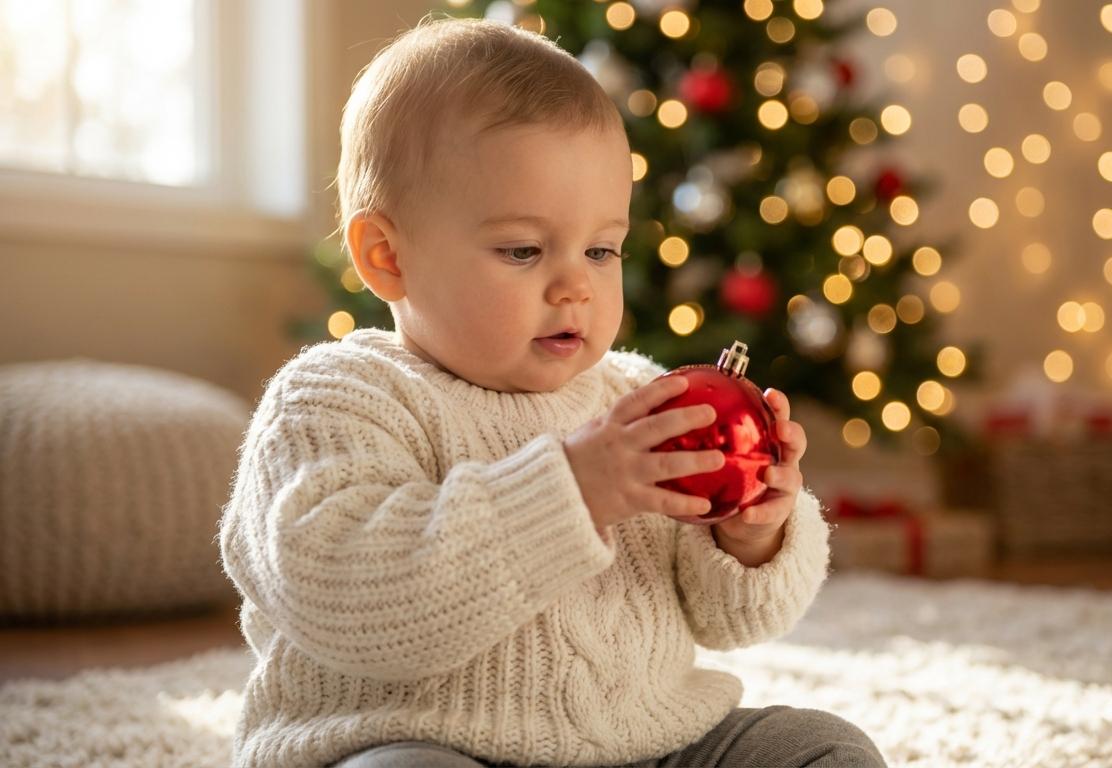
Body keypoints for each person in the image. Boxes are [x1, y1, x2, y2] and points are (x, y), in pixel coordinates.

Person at [218, 14, 885, 768]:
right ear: (386, 257)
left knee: (822, 748)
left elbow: (732, 621)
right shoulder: (335, 400)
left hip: (647, 746)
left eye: (602, 249)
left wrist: (750, 534)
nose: (576, 285)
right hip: (417, 739)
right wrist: (571, 489)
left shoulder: (637, 397)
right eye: (523, 250)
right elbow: (350, 599)